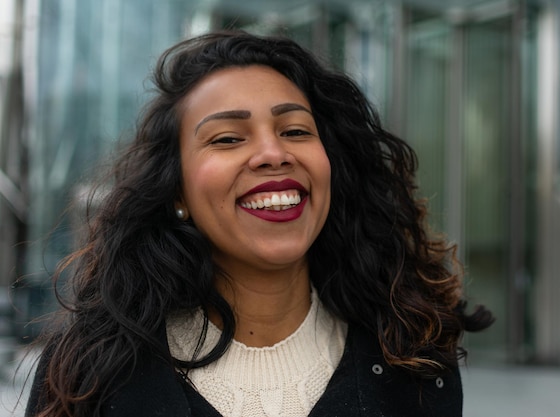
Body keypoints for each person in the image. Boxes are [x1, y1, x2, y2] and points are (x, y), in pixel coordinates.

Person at [26, 31, 493, 417]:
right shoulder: (88, 374)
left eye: (295, 131)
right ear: (177, 193)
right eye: (228, 138)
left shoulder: (413, 355)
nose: (274, 153)